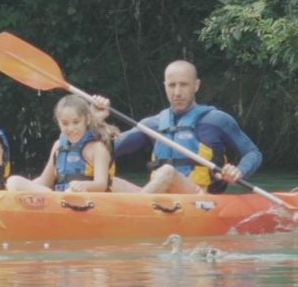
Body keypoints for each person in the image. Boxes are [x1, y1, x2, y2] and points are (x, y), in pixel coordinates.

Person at [92, 60, 262, 194]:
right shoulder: (152, 125)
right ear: (165, 86)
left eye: (184, 84)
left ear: (196, 85)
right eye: (172, 85)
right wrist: (96, 120)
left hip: (199, 197)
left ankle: (135, 210)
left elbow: (253, 153)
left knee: (167, 172)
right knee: (106, 181)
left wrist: (239, 170)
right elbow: (103, 150)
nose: (177, 92)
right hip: (161, 197)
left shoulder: (216, 120)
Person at [6, 94, 119, 193]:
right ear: (58, 123)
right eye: (65, 123)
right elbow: (44, 181)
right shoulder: (58, 146)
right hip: (60, 199)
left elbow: (101, 184)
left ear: (87, 120)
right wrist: (24, 185)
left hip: (85, 201)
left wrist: (84, 185)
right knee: (13, 181)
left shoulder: (98, 148)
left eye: (76, 122)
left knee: (71, 192)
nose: (70, 128)